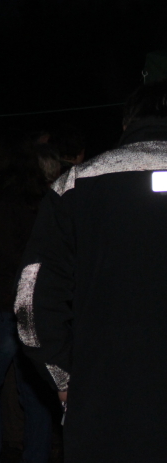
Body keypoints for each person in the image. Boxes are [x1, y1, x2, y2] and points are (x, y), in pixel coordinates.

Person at [15, 80, 167, 462]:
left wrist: (62, 377)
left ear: (127, 123)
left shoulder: (75, 187)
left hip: (106, 398)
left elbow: (31, 298)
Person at [0, 132, 53, 463]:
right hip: (36, 303)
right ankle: (36, 456)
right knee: (32, 390)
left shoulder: (4, 201)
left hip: (8, 306)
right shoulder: (40, 197)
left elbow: (9, 252)